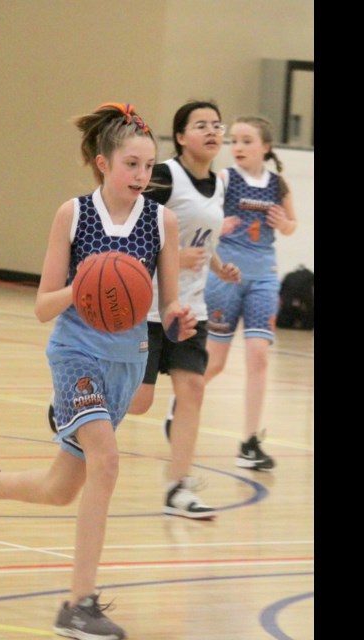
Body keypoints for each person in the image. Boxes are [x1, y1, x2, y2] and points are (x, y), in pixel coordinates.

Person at [0, 102, 196, 639]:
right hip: (75, 354)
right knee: (106, 464)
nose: (142, 176)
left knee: (63, 488)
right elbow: (42, 306)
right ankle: (78, 605)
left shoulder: (163, 221)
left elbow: (167, 311)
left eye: (149, 166)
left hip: (127, 360)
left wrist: (180, 319)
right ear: (103, 163)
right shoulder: (74, 214)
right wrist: (82, 283)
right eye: (132, 164)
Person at [122, 100, 241, 520]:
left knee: (193, 390)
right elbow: (132, 229)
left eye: (216, 124)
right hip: (148, 307)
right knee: (138, 402)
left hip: (191, 308)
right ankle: (72, 403)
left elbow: (200, 240)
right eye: (201, 125)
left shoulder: (220, 184)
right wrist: (174, 257)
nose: (212, 131)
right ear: (180, 136)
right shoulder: (165, 176)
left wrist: (214, 263)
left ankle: (178, 489)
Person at [203, 115, 297, 472]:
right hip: (226, 275)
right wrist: (217, 224)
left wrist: (284, 224)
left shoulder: (277, 184)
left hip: (264, 277)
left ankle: (249, 441)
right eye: (235, 141)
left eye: (246, 141)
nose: (238, 147)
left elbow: (292, 225)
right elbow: (202, 218)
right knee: (215, 362)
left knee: (258, 356)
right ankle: (179, 406)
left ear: (266, 148)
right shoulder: (225, 179)